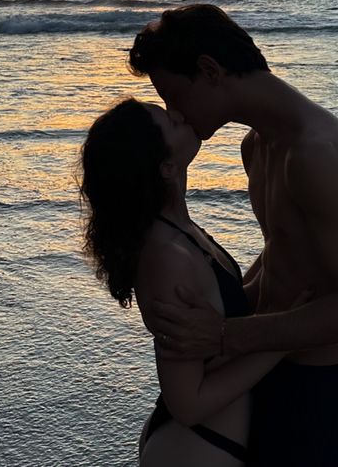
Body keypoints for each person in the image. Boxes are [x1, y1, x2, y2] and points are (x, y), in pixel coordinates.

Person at [128, 4, 338, 467]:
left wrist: (226, 334)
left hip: (323, 394)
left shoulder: (318, 156)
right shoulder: (258, 147)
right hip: (264, 372)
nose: (175, 113)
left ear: (209, 71)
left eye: (172, 95)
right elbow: (283, 255)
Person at [80, 97, 286, 466]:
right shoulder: (166, 256)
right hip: (196, 447)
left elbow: (228, 309)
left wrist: (284, 249)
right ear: (166, 168)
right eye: (169, 122)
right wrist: (285, 340)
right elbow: (188, 403)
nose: (178, 113)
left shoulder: (180, 231)